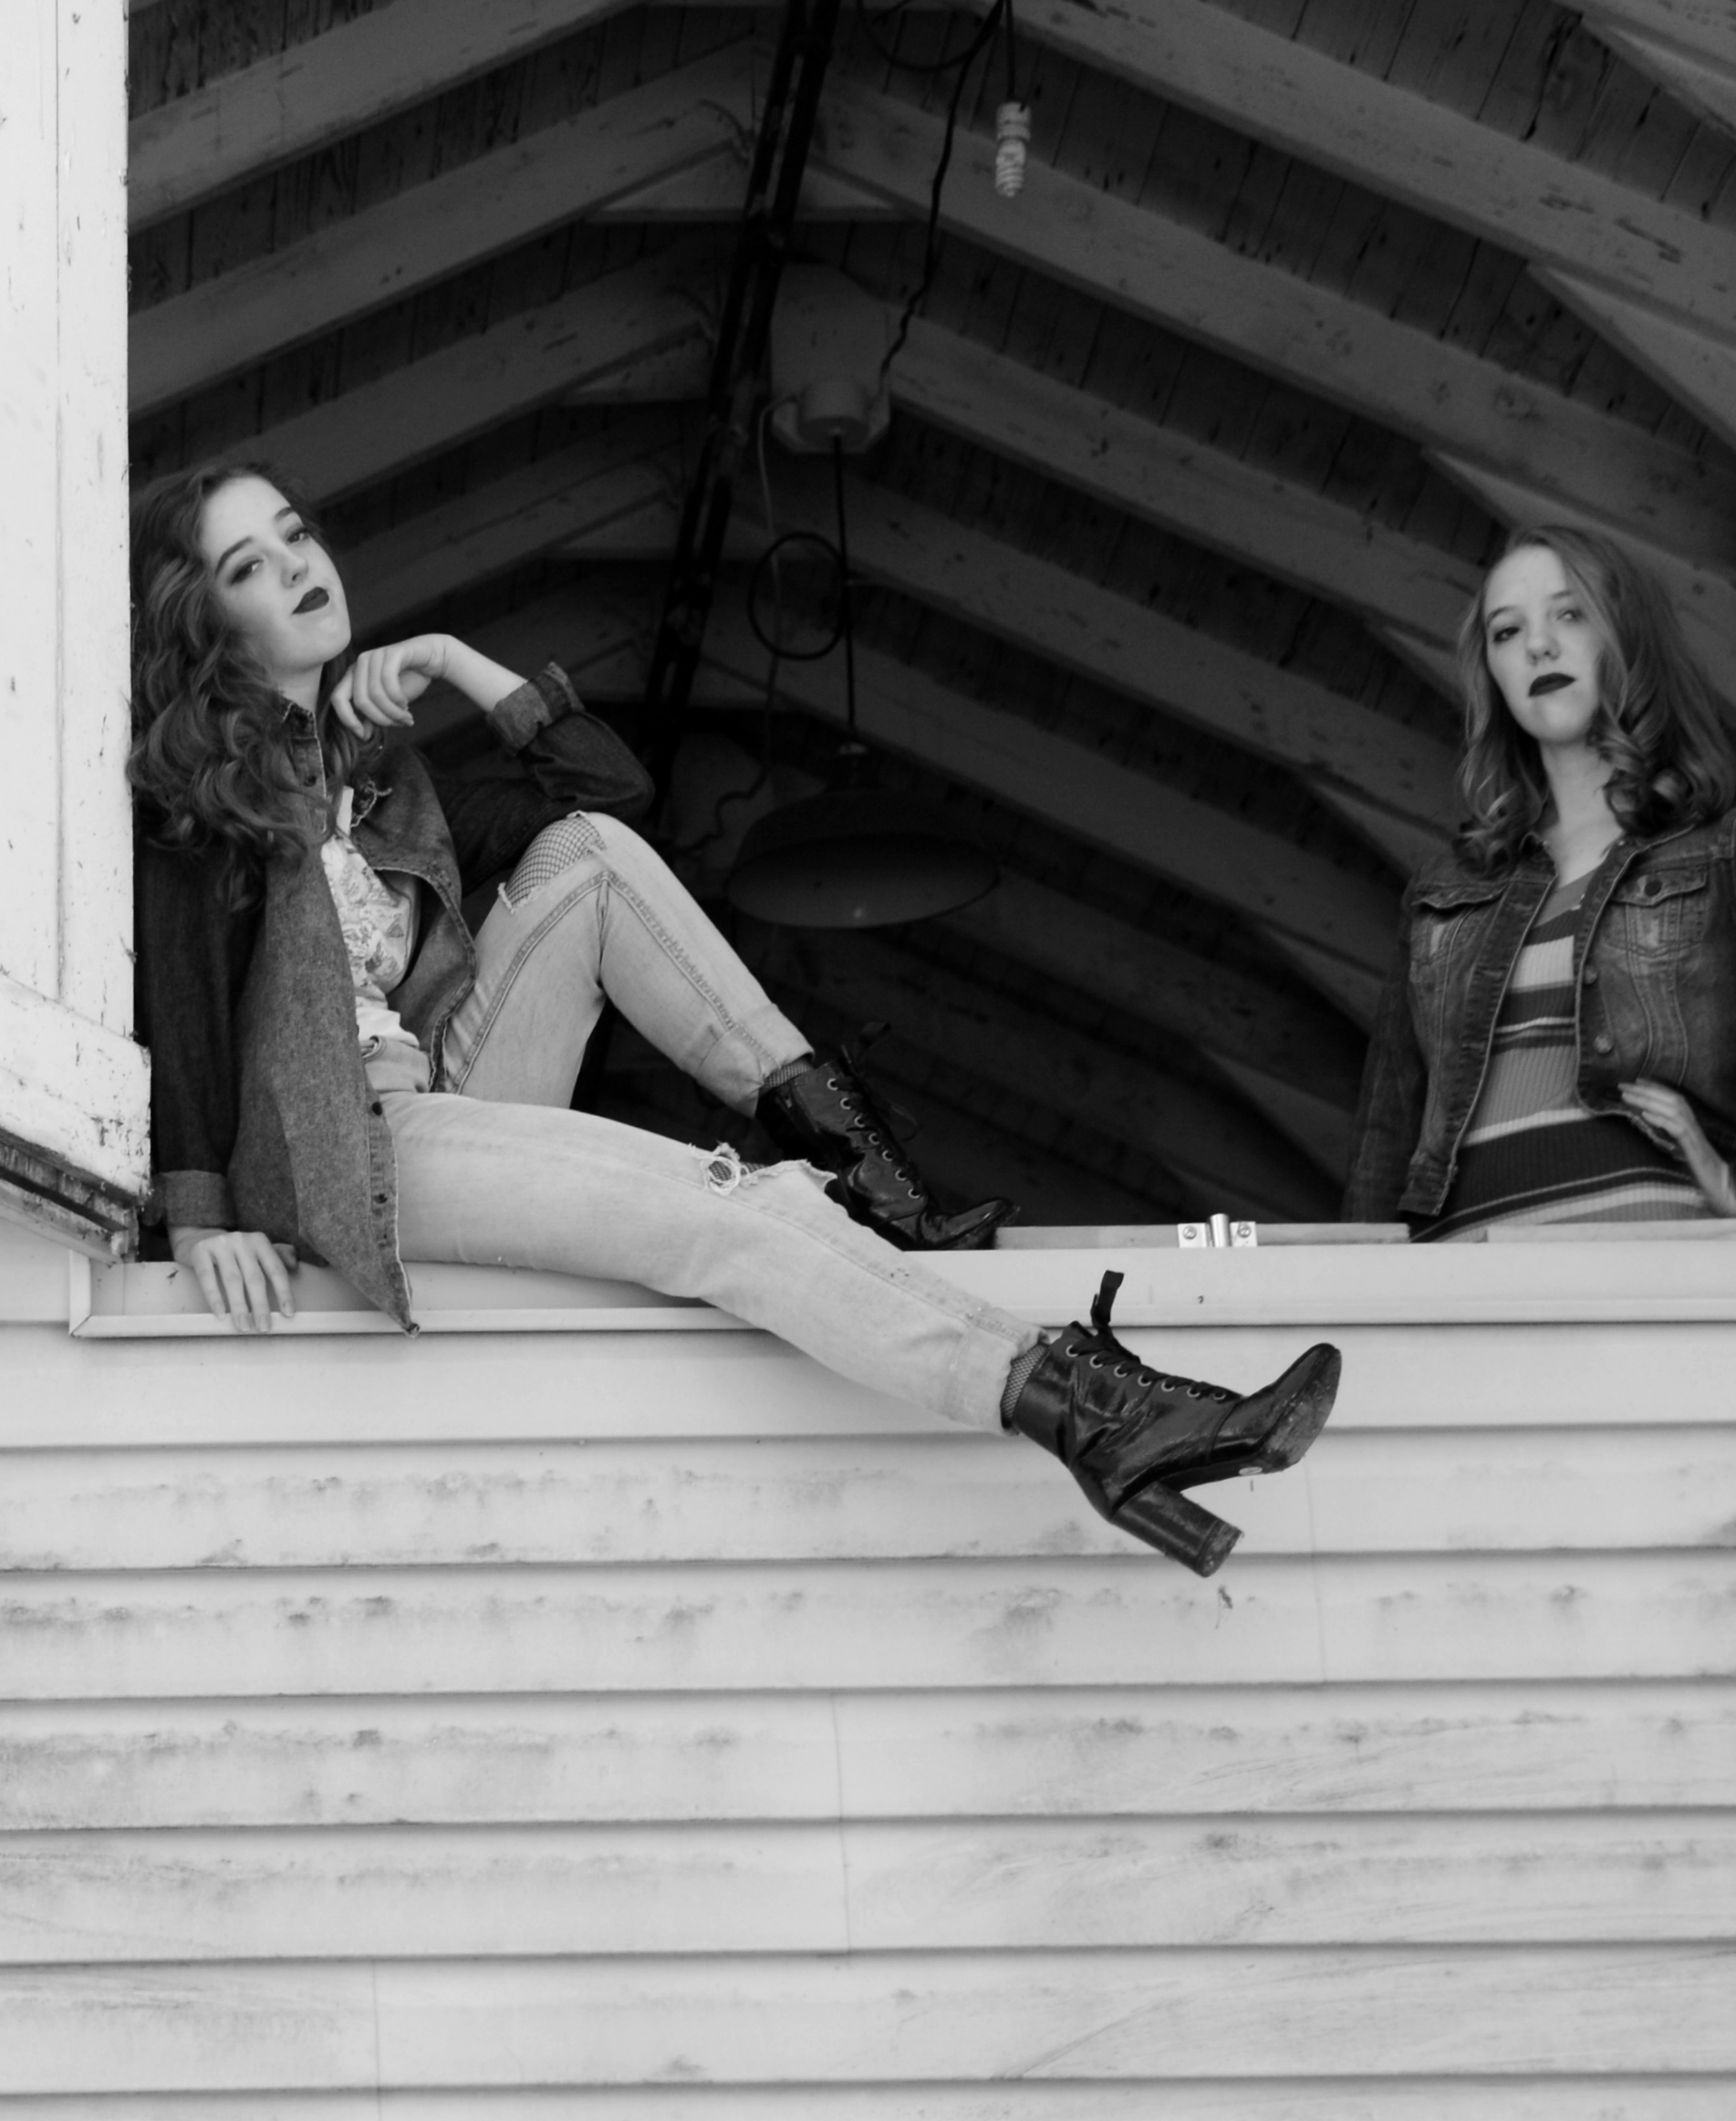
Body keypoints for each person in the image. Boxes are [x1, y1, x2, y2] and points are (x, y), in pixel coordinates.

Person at [128, 457, 1343, 1574]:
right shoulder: (204, 788)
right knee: (735, 1210)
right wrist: (199, 1213)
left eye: (295, 534)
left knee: (588, 854)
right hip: (351, 1148)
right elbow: (180, 996)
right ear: (209, 621)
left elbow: (610, 791)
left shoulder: (385, 782)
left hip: (443, 1097)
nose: (296, 564)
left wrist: (452, 658)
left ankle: (870, 1174)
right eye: (249, 565)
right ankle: (1089, 1410)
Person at [1348, 523, 1736, 1238]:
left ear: (1626, 637)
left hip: (1652, 1268)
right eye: (1506, 632)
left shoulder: (1727, 850)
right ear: (1491, 674)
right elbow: (1383, 1144)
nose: (1538, 645)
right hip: (1466, 1283)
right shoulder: (1440, 892)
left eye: (1569, 614)